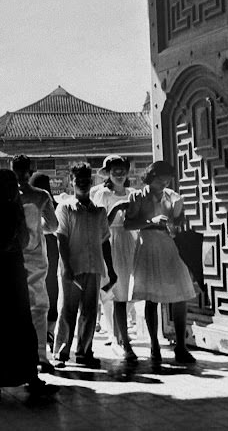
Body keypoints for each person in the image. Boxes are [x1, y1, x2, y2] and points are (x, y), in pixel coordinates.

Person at [0, 168, 59, 401]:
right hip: (11, 274)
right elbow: (25, 242)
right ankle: (29, 377)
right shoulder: (15, 211)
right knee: (18, 325)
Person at [124, 160, 196, 364]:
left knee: (180, 294)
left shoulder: (172, 196)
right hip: (148, 245)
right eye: (160, 178)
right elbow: (128, 225)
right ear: (151, 176)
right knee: (151, 297)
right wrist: (150, 222)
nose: (165, 182)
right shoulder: (137, 196)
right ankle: (154, 344)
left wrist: (176, 220)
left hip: (169, 247)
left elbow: (177, 224)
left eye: (168, 178)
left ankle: (181, 346)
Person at [54, 163, 117, 369]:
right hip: (72, 268)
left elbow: (105, 241)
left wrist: (111, 269)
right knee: (67, 311)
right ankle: (61, 353)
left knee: (90, 312)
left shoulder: (98, 212)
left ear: (91, 182)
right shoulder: (65, 208)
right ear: (71, 181)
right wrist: (66, 267)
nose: (82, 183)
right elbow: (61, 239)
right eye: (78, 180)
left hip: (94, 266)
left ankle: (84, 351)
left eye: (86, 180)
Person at [11, 155, 58, 372]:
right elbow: (53, 225)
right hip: (36, 254)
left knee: (17, 306)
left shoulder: (7, 196)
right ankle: (40, 355)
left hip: (13, 255)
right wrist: (36, 229)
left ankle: (20, 355)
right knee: (39, 306)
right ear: (30, 172)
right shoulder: (41, 196)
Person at [90, 155, 138, 361]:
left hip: (131, 240)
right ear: (108, 173)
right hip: (111, 242)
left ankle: (120, 334)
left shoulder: (133, 193)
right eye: (114, 170)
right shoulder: (103, 194)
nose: (119, 174)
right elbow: (100, 225)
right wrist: (118, 208)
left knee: (132, 291)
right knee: (116, 291)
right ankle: (120, 339)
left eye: (122, 170)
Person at [30, 171, 60, 355]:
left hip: (37, 248)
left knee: (37, 290)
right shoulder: (53, 204)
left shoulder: (31, 203)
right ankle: (49, 333)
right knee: (51, 289)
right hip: (52, 248)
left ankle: (40, 337)